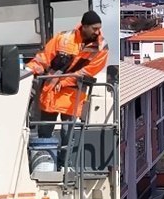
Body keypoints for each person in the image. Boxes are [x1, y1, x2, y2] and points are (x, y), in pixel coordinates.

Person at [26, 10, 109, 139]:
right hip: (52, 92)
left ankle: (64, 159)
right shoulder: (63, 38)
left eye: (99, 28)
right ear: (84, 26)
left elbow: (88, 71)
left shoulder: (101, 47)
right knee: (45, 132)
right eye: (95, 28)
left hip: (72, 95)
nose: (97, 32)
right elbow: (43, 58)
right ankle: (46, 156)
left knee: (67, 135)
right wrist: (26, 72)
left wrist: (63, 82)